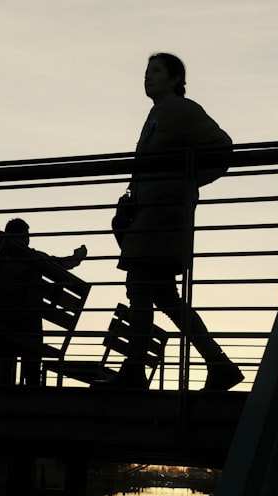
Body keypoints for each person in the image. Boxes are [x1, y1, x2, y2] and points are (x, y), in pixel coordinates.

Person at [97, 52, 243, 391]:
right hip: (150, 213)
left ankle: (134, 371)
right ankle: (219, 363)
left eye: (156, 72)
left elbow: (222, 149)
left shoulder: (182, 109)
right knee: (162, 296)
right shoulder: (157, 114)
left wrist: (185, 185)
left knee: (141, 289)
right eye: (146, 72)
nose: (147, 77)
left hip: (162, 216)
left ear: (175, 79)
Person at [0, 218, 86, 386]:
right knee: (32, 356)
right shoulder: (36, 258)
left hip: (3, 324)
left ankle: (1, 392)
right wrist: (77, 257)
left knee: (5, 357)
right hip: (30, 327)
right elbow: (61, 264)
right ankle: (32, 390)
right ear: (25, 238)